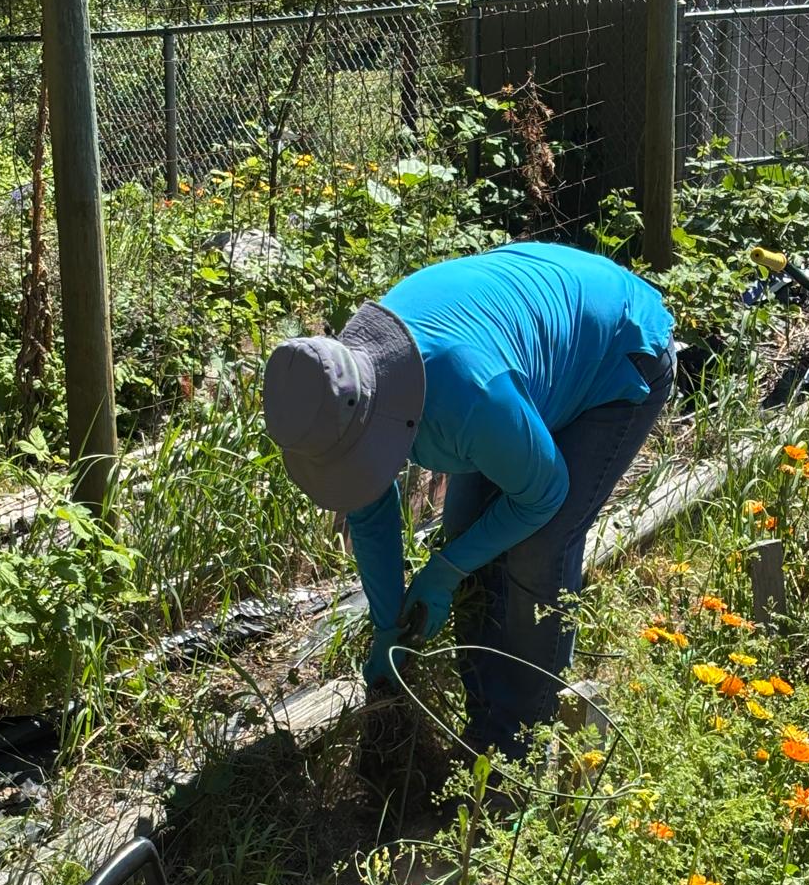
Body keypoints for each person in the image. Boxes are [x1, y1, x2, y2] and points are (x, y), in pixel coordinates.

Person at [262, 241, 675, 760]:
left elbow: (544, 493)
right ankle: (486, 724)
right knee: (467, 538)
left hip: (617, 350)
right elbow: (370, 509)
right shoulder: (336, 388)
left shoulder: (466, 396)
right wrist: (390, 628)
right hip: (522, 359)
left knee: (537, 550)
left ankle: (523, 744)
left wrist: (444, 571)